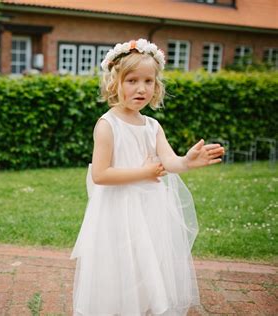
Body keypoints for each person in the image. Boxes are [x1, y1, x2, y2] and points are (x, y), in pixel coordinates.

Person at [71, 39, 224, 315]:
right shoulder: (107, 125)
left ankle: (141, 307)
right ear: (114, 83)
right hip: (117, 209)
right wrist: (144, 172)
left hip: (149, 207)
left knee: (147, 261)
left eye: (148, 81)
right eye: (132, 80)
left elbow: (169, 161)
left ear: (156, 86)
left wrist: (187, 162)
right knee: (120, 263)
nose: (141, 88)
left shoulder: (152, 126)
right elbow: (101, 174)